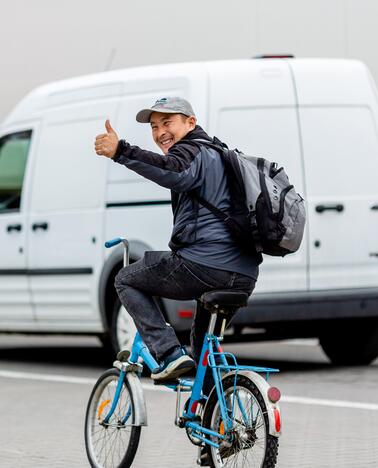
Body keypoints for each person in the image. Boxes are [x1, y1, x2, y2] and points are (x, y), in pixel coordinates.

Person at [94, 97, 262, 382]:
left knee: (125, 278)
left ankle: (168, 352)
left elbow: (173, 171)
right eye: (155, 126)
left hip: (205, 266)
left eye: (167, 122)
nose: (160, 132)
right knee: (202, 355)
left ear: (191, 123)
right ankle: (213, 415)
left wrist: (120, 151)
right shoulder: (219, 153)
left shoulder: (193, 152)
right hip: (243, 273)